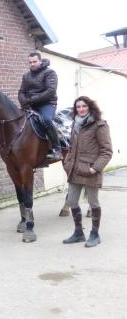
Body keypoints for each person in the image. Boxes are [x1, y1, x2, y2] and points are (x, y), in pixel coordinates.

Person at [62, 96, 112, 247]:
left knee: (93, 202)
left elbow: (107, 151)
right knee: (71, 201)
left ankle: (95, 234)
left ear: (90, 107)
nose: (81, 109)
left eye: (84, 106)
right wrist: (68, 162)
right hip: (75, 170)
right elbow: (71, 148)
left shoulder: (99, 125)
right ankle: (78, 233)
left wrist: (94, 168)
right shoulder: (75, 125)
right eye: (78, 107)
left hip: (90, 171)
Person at [18, 52, 62, 160]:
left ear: (40, 61)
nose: (32, 64)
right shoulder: (26, 76)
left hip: (47, 104)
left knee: (46, 120)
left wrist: (31, 100)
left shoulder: (50, 73)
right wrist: (23, 101)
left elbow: (50, 91)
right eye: (30, 62)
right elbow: (21, 91)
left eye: (34, 61)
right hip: (30, 105)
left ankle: (57, 149)